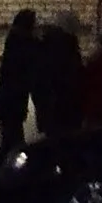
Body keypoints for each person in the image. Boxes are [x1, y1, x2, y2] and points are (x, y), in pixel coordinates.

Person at [0, 7, 40, 160]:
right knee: (14, 146)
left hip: (8, 102)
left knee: (9, 145)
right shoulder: (22, 42)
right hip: (13, 102)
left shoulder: (14, 40)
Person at [35, 9, 86, 139]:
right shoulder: (65, 47)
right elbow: (70, 77)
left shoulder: (49, 44)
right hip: (63, 107)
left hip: (53, 107)